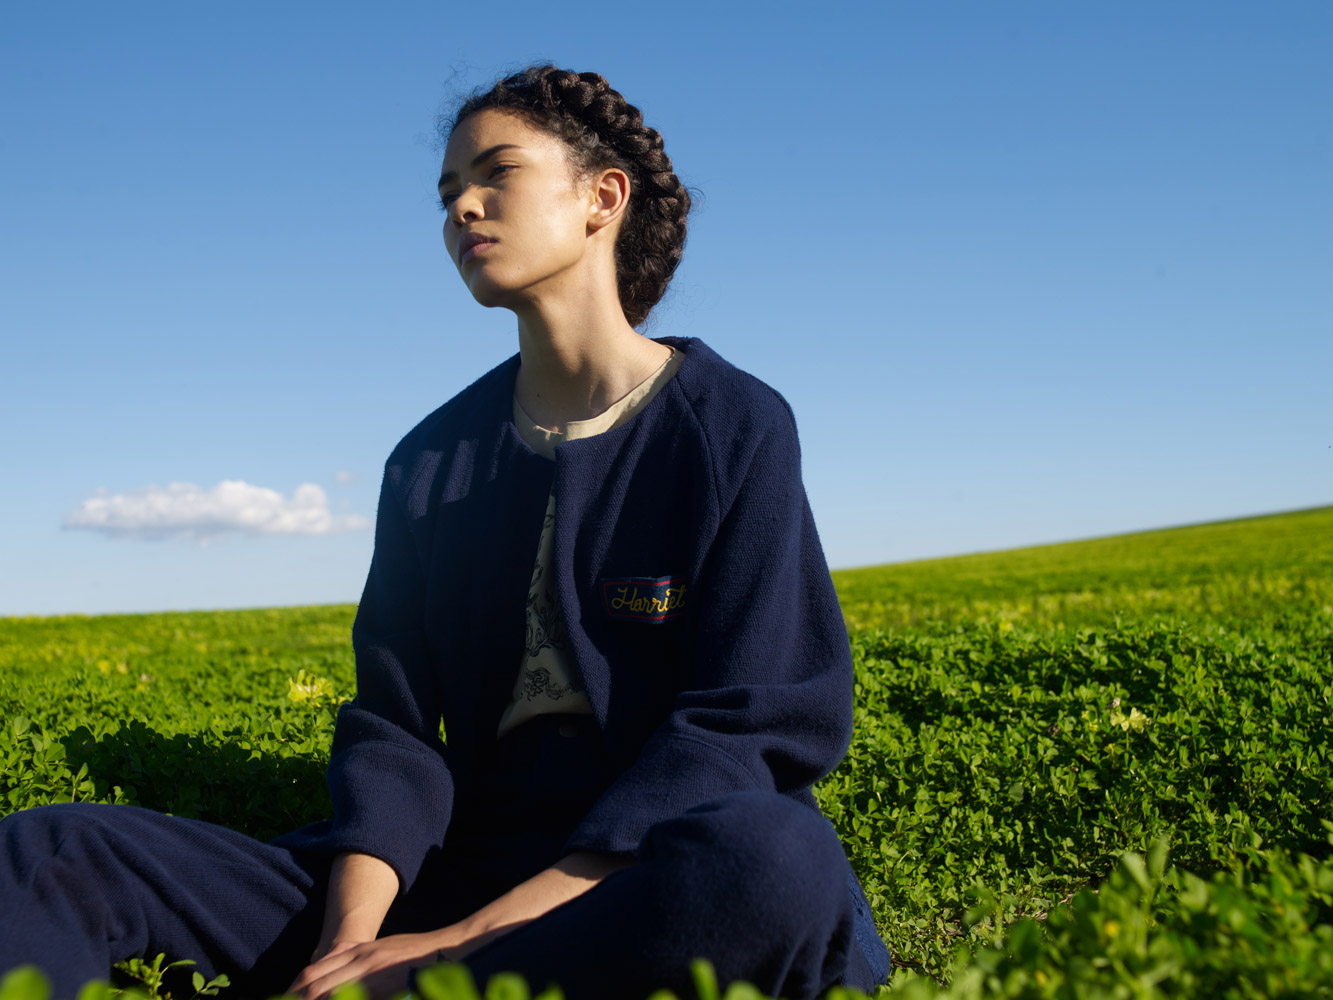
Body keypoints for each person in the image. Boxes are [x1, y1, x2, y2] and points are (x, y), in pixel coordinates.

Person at [0, 66, 892, 1000]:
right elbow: (393, 729)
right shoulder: (427, 462)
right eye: (447, 193)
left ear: (602, 197)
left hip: (643, 871)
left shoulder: (730, 424)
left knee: (771, 862)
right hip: (458, 869)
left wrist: (451, 950)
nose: (463, 207)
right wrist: (349, 949)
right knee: (55, 847)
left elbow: (750, 725)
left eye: (496, 173)